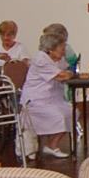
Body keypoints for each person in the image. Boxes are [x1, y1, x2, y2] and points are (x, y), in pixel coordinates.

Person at [20, 26, 76, 158]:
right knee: (58, 116)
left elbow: (68, 71)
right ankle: (40, 146)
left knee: (72, 112)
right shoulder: (41, 59)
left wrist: (68, 73)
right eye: (61, 49)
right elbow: (63, 75)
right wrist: (68, 73)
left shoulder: (57, 58)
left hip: (52, 99)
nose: (64, 52)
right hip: (36, 101)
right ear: (51, 50)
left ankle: (52, 145)